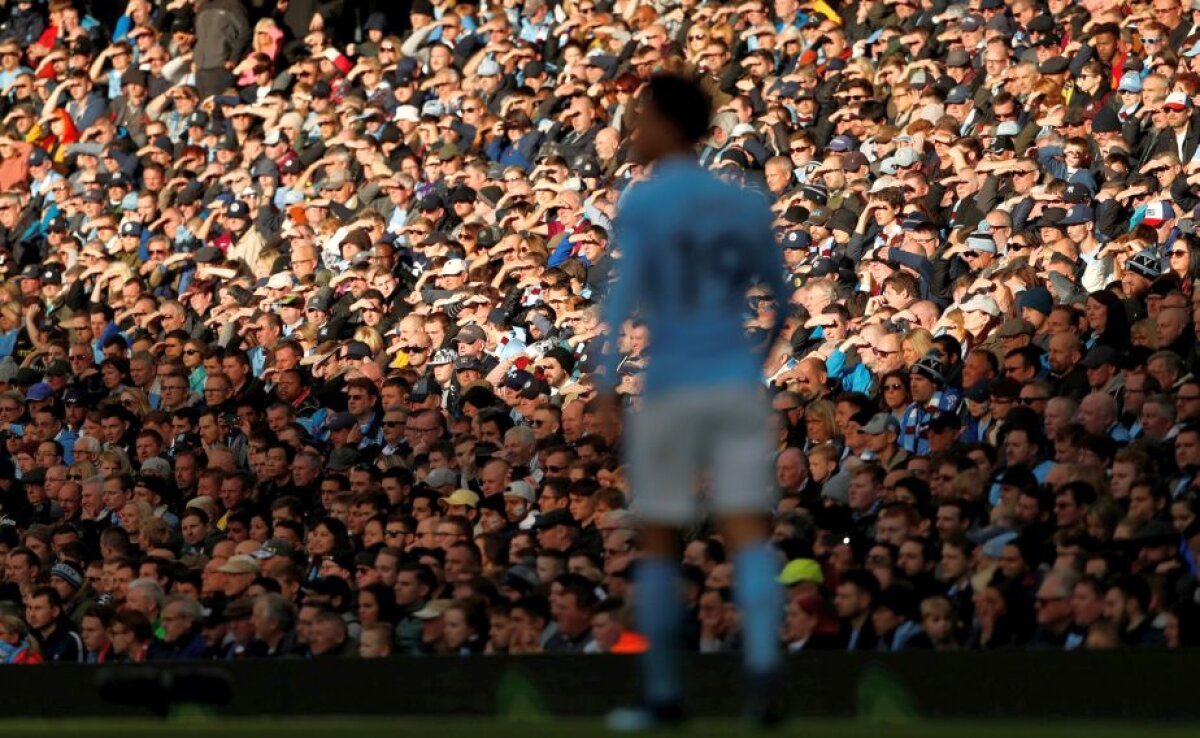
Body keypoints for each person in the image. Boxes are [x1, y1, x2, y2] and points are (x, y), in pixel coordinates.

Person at [601, 74, 789, 729]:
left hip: (672, 383)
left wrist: (605, 384)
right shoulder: (740, 200)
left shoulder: (645, 203)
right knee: (748, 536)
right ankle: (762, 682)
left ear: (665, 125)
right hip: (732, 378)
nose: (636, 130)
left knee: (659, 540)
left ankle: (664, 695)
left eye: (643, 118)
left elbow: (620, 303)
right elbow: (781, 300)